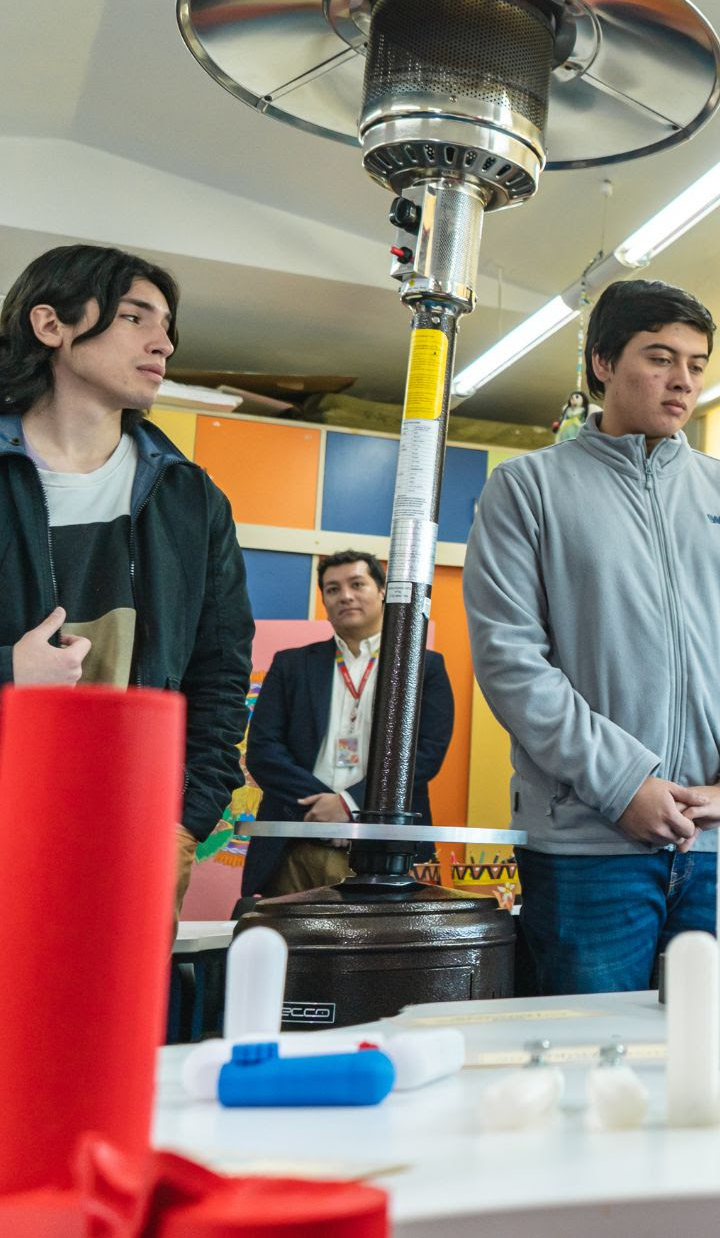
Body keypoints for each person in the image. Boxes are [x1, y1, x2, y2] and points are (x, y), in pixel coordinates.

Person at [467, 278, 720, 995]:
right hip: (591, 845)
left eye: (697, 362)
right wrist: (626, 785)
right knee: (594, 1067)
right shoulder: (527, 489)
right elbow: (511, 661)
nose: (682, 380)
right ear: (601, 363)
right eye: (660, 357)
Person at [0, 244, 253, 914]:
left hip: (134, 836)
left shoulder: (191, 500)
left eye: (167, 325)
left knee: (117, 1022)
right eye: (136, 317)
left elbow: (221, 676)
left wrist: (184, 823)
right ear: (51, 325)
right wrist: (11, 671)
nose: (163, 342)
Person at [242, 550, 454, 899]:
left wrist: (349, 803)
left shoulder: (423, 667)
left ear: (383, 590)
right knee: (291, 951)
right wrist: (320, 804)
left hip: (387, 849)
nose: (345, 596)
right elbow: (264, 751)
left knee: (381, 951)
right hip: (295, 840)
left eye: (357, 584)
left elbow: (425, 754)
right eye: (332, 589)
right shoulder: (291, 665)